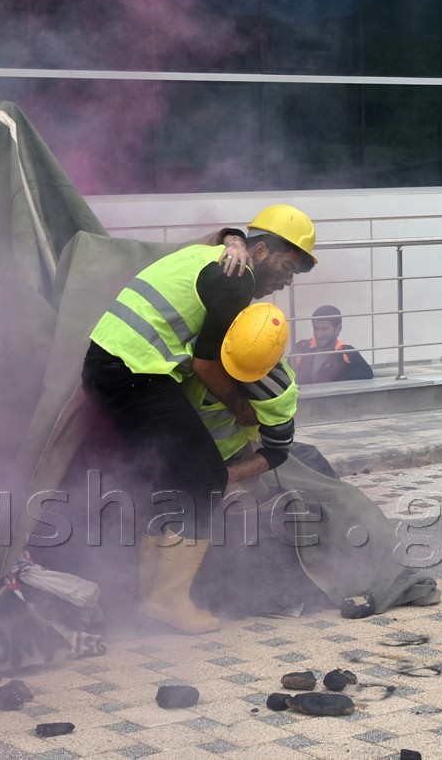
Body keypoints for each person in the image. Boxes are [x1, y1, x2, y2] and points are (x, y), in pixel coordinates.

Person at [81, 204, 317, 634]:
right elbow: (208, 366)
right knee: (204, 477)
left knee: (166, 481)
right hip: (134, 370)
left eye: (296, 274)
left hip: (113, 364)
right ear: (259, 251)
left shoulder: (221, 254)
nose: (288, 279)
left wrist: (233, 237)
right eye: (287, 266)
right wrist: (243, 408)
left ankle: (147, 593)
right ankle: (168, 600)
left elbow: (223, 238)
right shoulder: (236, 279)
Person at [291, 305, 374, 383]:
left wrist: (339, 378)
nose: (319, 334)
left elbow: (367, 374)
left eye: (324, 329)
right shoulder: (302, 347)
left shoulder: (347, 353)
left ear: (338, 329)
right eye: (316, 329)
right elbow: (283, 374)